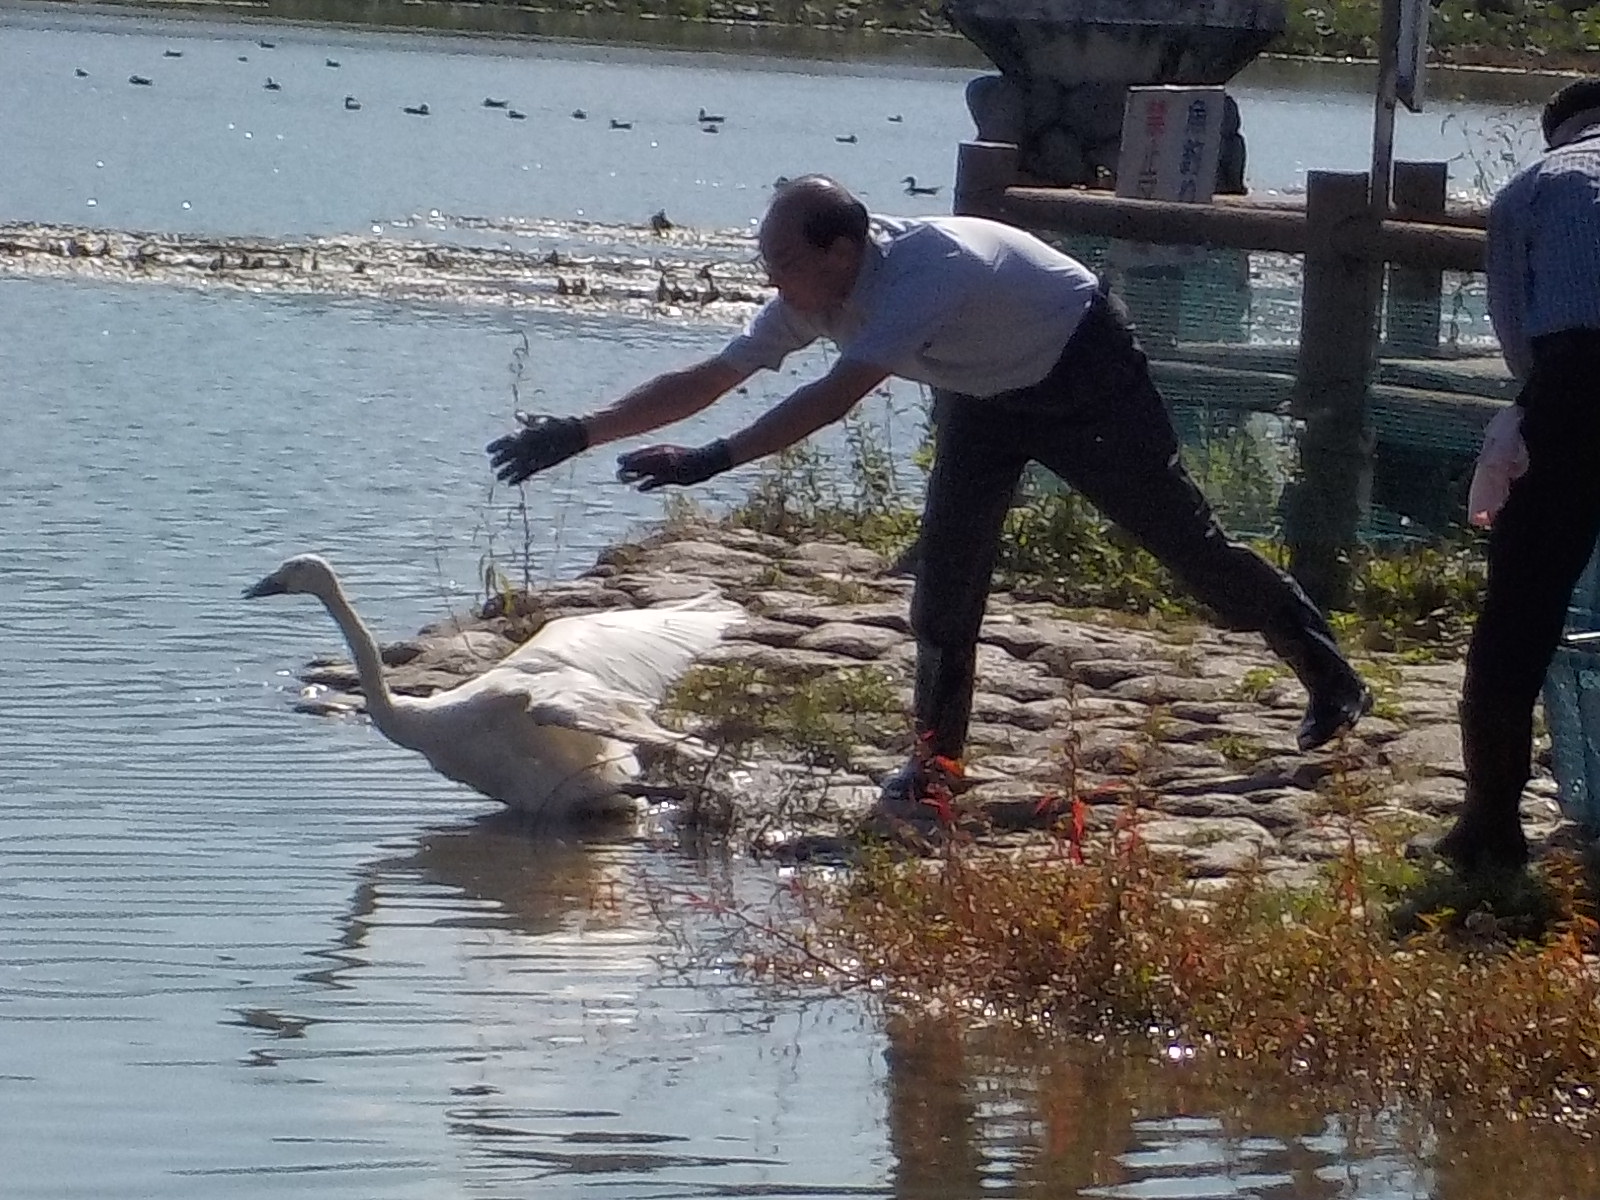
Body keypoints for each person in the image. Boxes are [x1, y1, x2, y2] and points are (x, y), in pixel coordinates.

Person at [487, 175, 1371, 815]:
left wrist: (713, 462)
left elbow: (832, 398)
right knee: (944, 587)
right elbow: (716, 374)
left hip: (1082, 369)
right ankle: (936, 763)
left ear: (841, 249)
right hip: (985, 397)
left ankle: (1328, 675)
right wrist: (579, 431)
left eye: (782, 262)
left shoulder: (923, 272)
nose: (771, 282)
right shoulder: (814, 293)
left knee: (1196, 557)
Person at [1435, 78, 1600, 875]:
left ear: (1556, 131)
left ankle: (1490, 826)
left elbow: (1515, 332)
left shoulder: (1533, 188)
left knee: (1519, 614)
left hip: (1575, 389)